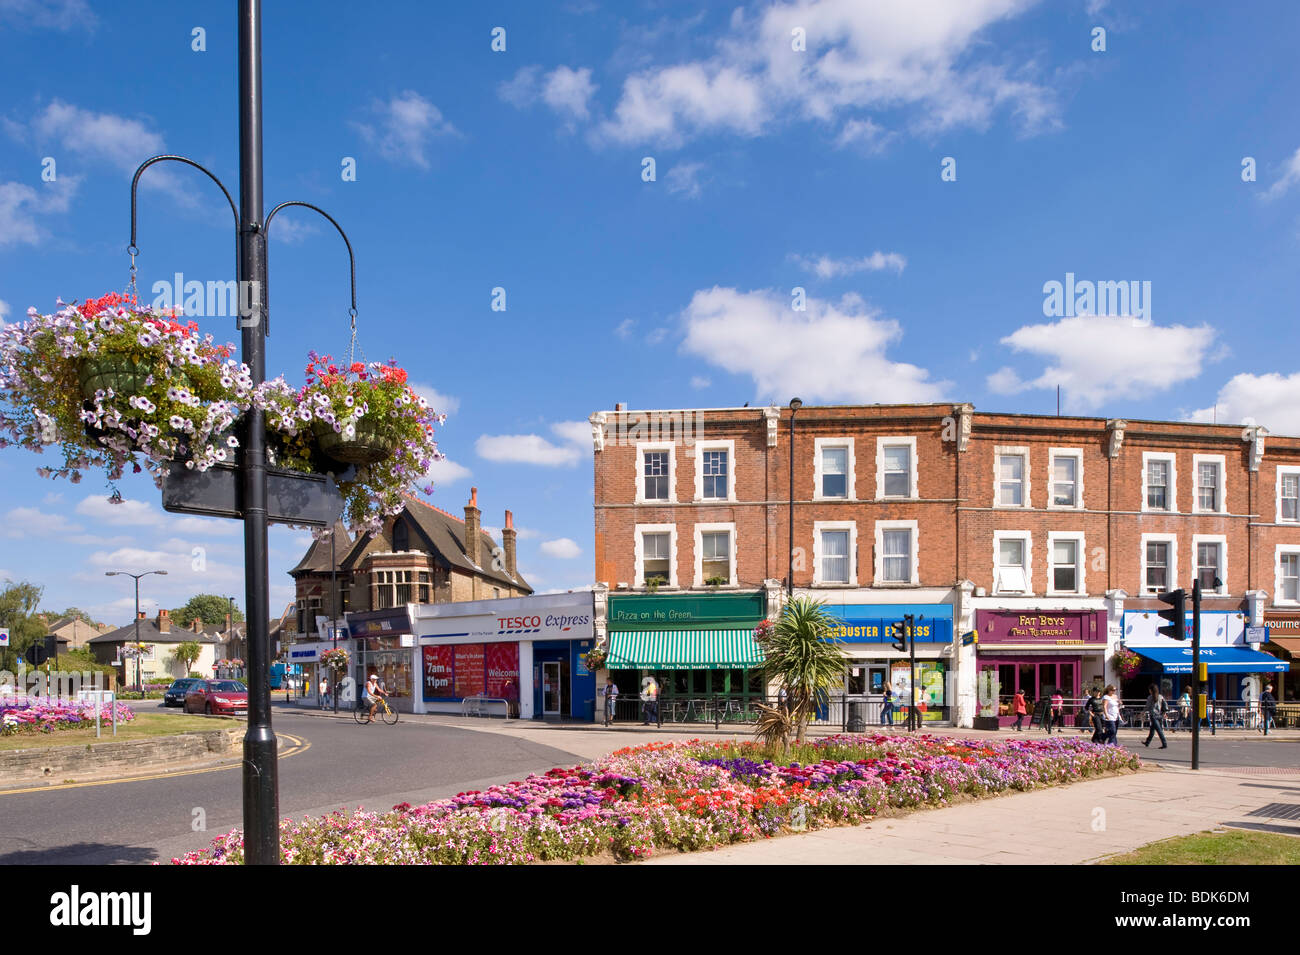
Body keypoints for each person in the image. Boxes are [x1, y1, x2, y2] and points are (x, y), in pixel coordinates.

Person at [1142, 684, 1168, 749]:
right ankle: (1147, 742)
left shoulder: (1150, 697)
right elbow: (1165, 705)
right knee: (1152, 729)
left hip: (1153, 715)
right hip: (1159, 715)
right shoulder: (1160, 696)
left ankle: (1164, 743)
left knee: (1159, 730)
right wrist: (1164, 713)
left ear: (1151, 690)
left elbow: (1147, 706)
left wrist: (1143, 712)